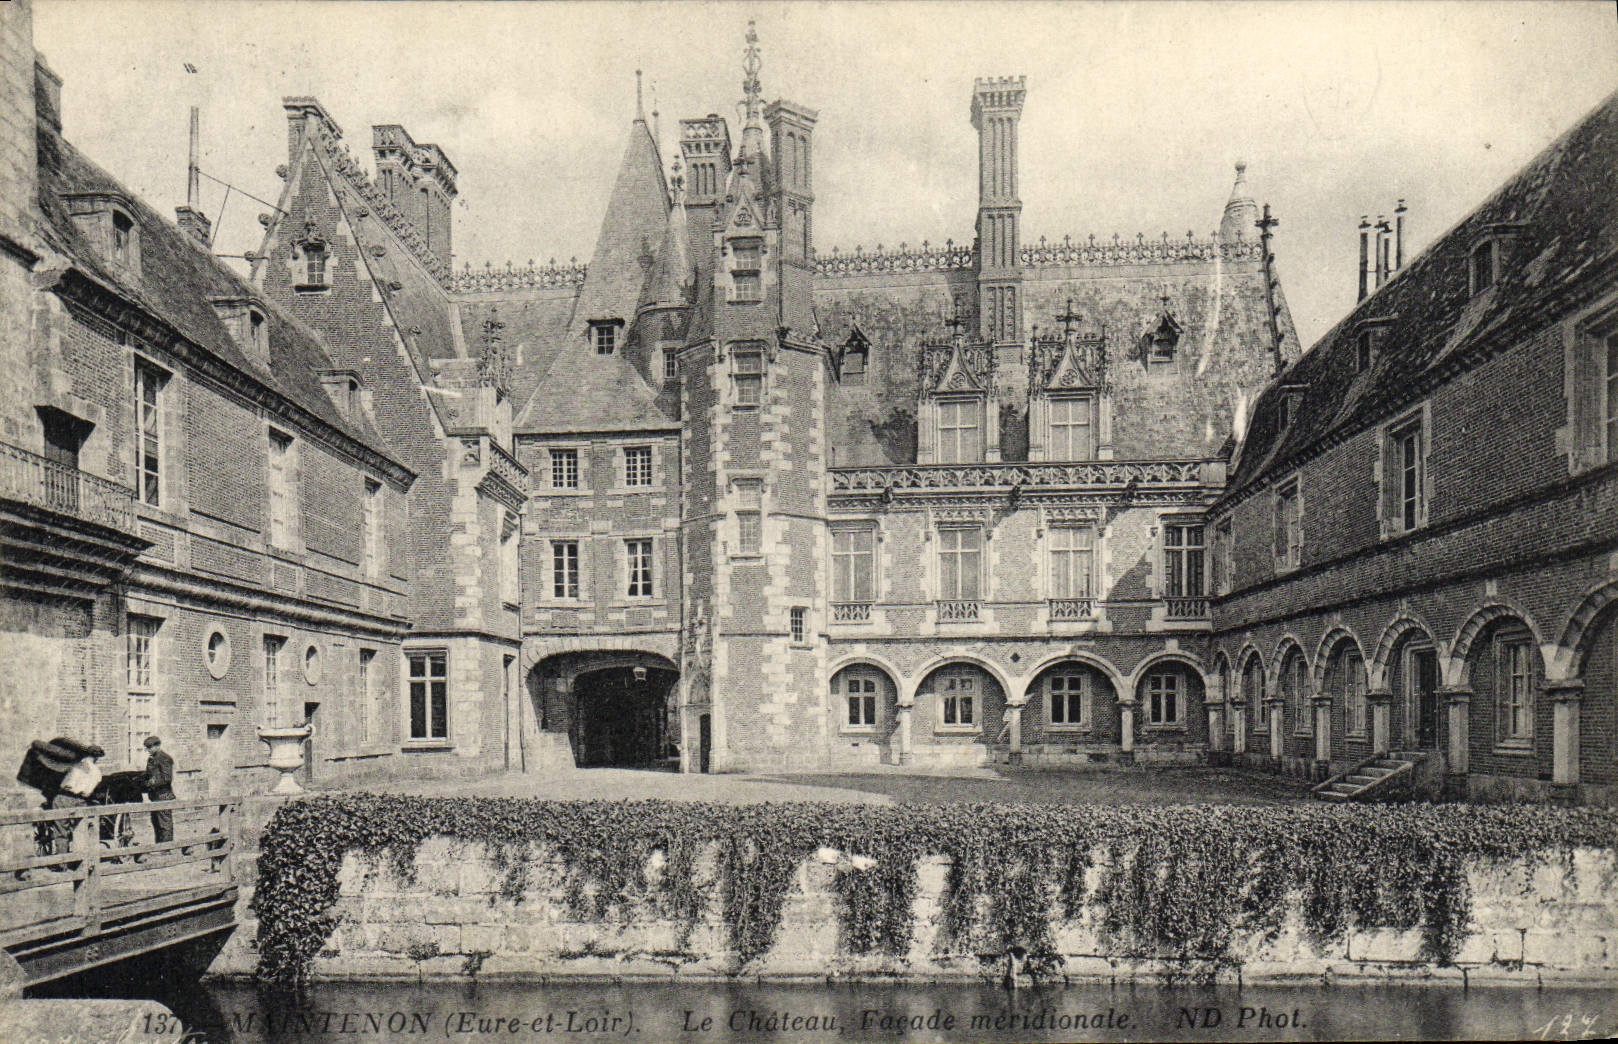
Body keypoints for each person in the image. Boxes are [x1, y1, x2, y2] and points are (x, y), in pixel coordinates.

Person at [50, 746, 104, 855]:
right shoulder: (97, 772)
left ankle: (62, 862)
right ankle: (80, 861)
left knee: (61, 830)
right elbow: (88, 792)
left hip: (64, 798)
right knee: (80, 830)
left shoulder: (76, 765)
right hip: (81, 800)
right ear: (97, 757)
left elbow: (65, 783)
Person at [143, 735, 175, 844]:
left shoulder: (165, 758)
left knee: (165, 823)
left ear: (157, 746)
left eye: (149, 748)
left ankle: (166, 848)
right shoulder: (151, 759)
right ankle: (159, 847)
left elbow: (167, 778)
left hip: (163, 796)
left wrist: (152, 782)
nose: (148, 750)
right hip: (154, 796)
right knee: (156, 822)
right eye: (147, 748)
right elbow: (148, 775)